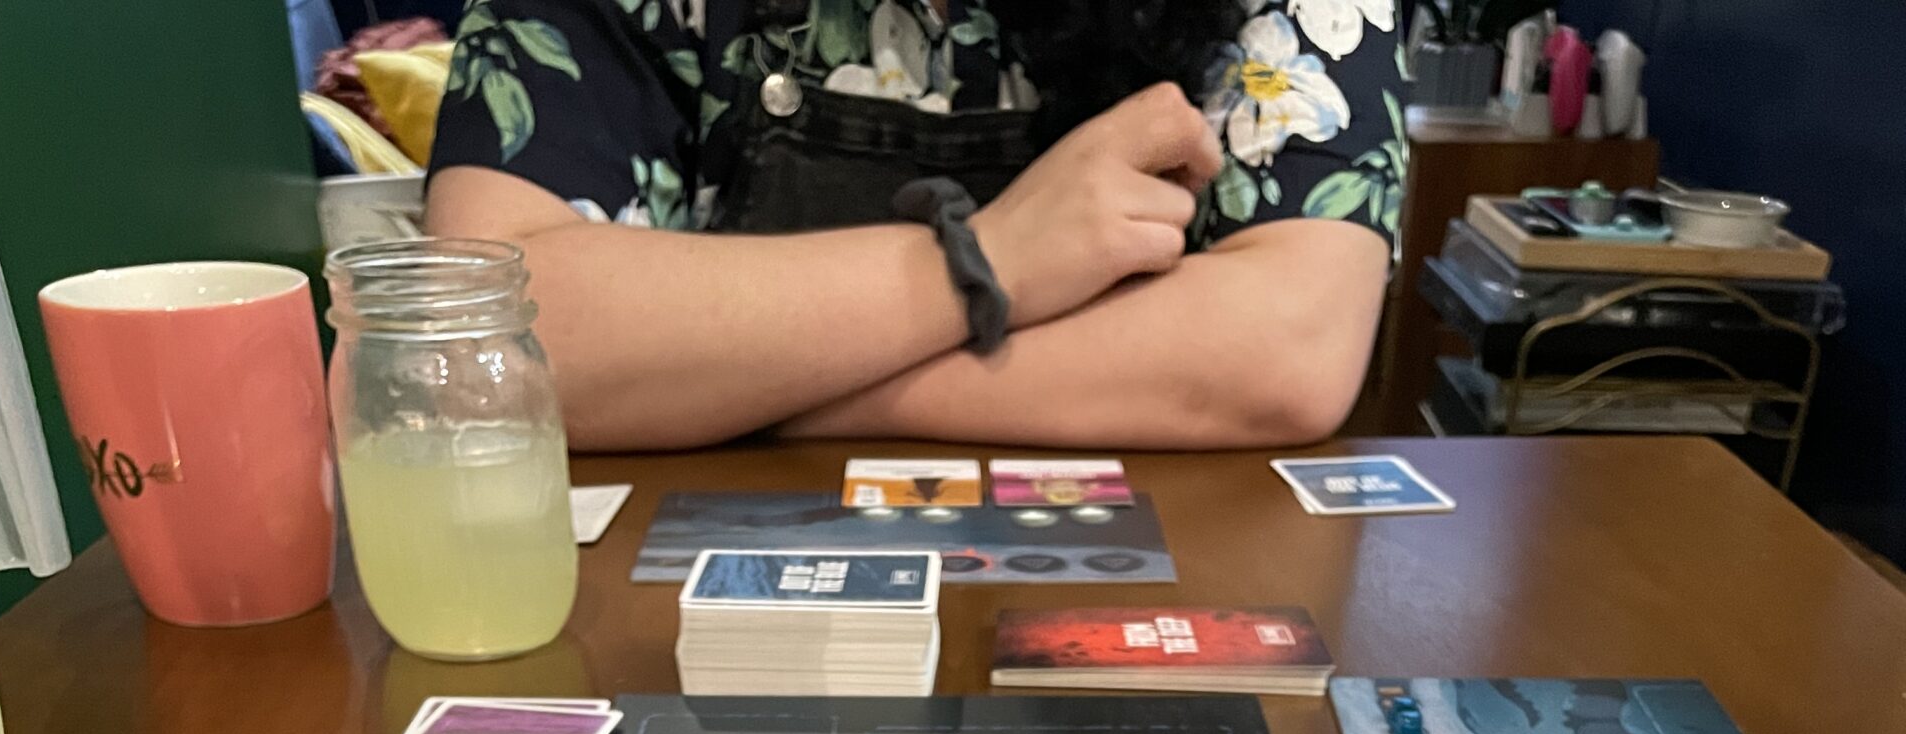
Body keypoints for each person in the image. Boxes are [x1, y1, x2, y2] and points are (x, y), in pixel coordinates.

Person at [424, 0, 1405, 451]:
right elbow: (477, 344)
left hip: (1124, 613)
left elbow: (1287, 347)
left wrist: (727, 379)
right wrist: (988, 262)